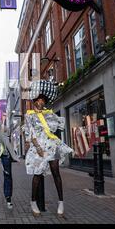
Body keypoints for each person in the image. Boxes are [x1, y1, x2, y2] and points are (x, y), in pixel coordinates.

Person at [23, 80, 74, 218]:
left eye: (43, 100)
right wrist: (38, 147)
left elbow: (58, 127)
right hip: (38, 147)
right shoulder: (29, 115)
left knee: (56, 172)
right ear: (35, 100)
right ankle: (33, 202)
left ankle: (61, 203)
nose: (41, 102)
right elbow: (30, 132)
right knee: (37, 175)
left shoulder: (50, 114)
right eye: (39, 100)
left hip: (52, 145)